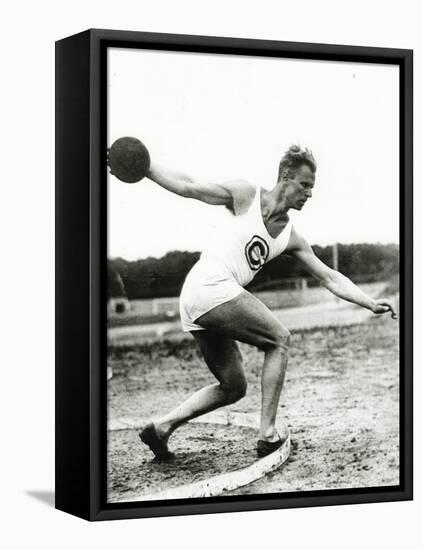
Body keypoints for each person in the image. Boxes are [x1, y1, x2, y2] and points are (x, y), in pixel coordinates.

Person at [139, 145, 397, 460]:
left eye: (312, 188)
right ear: (286, 177)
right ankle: (268, 434)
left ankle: (162, 427)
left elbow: (330, 277)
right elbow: (189, 187)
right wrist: (146, 166)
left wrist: (369, 302)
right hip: (208, 286)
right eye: (305, 185)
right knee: (280, 340)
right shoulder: (246, 195)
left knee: (233, 387)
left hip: (199, 300)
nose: (309, 194)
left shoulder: (291, 237)